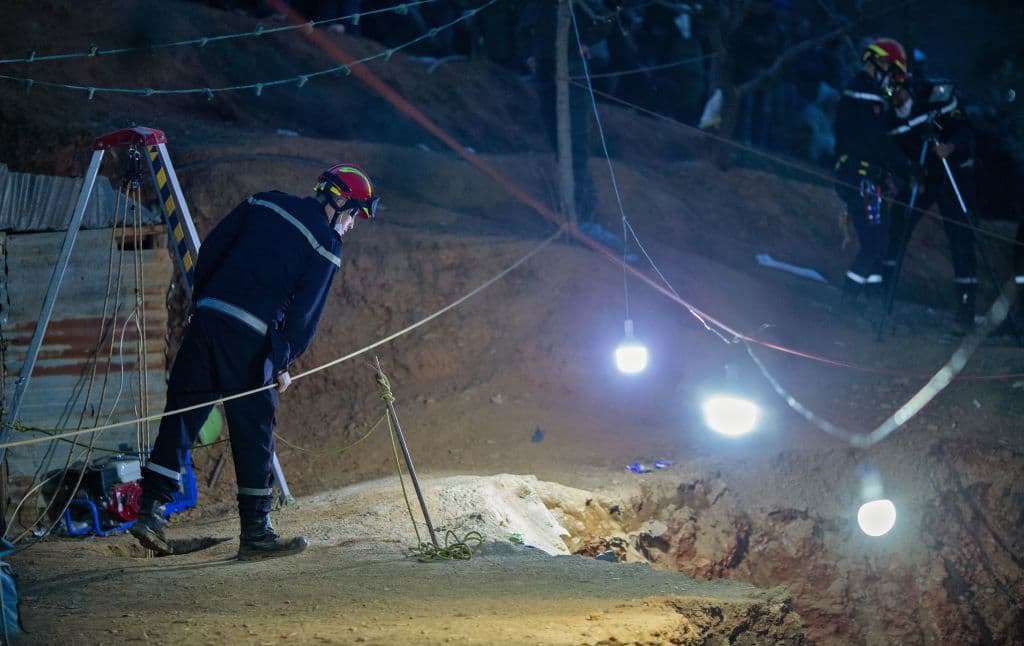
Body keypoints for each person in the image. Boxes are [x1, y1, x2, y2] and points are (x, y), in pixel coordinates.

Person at [130, 164, 379, 561]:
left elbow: (212, 249)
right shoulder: (326, 243)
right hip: (249, 340)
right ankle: (256, 533)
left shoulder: (262, 201)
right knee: (254, 433)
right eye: (353, 215)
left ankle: (151, 513)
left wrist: (204, 305)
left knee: (181, 415)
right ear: (339, 202)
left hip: (206, 323)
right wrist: (280, 360)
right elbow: (304, 316)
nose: (350, 225)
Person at [884, 74, 979, 332]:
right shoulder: (892, 118)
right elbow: (896, 152)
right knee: (899, 218)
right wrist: (909, 175)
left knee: (961, 236)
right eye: (888, 93)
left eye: (897, 91)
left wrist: (950, 146)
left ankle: (966, 309)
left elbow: (963, 129)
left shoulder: (935, 97)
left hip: (954, 172)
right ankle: (884, 292)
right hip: (925, 176)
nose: (894, 97)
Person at [832, 38, 913, 303]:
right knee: (874, 244)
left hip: (867, 177)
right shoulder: (865, 96)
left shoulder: (866, 94)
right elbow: (878, 141)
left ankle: (872, 297)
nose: (892, 83)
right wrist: (908, 168)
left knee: (879, 240)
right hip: (859, 177)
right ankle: (848, 301)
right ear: (881, 64)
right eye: (892, 74)